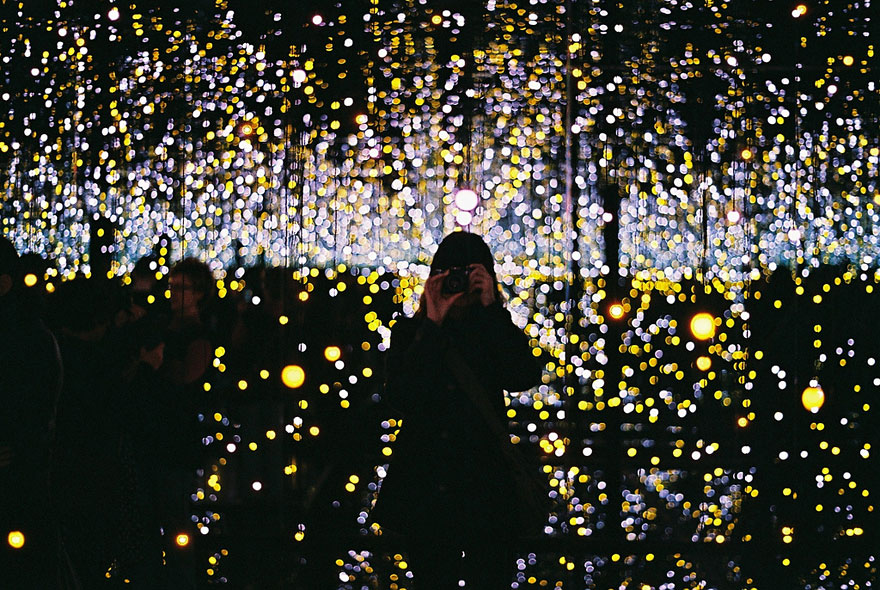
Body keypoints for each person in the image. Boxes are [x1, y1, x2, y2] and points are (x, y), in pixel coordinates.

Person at [375, 231, 543, 589]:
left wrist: (492, 307)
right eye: (450, 274)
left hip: (485, 490)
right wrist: (432, 323)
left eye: (468, 273)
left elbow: (523, 375)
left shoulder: (491, 328)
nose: (458, 283)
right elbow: (402, 397)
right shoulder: (412, 332)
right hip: (428, 488)